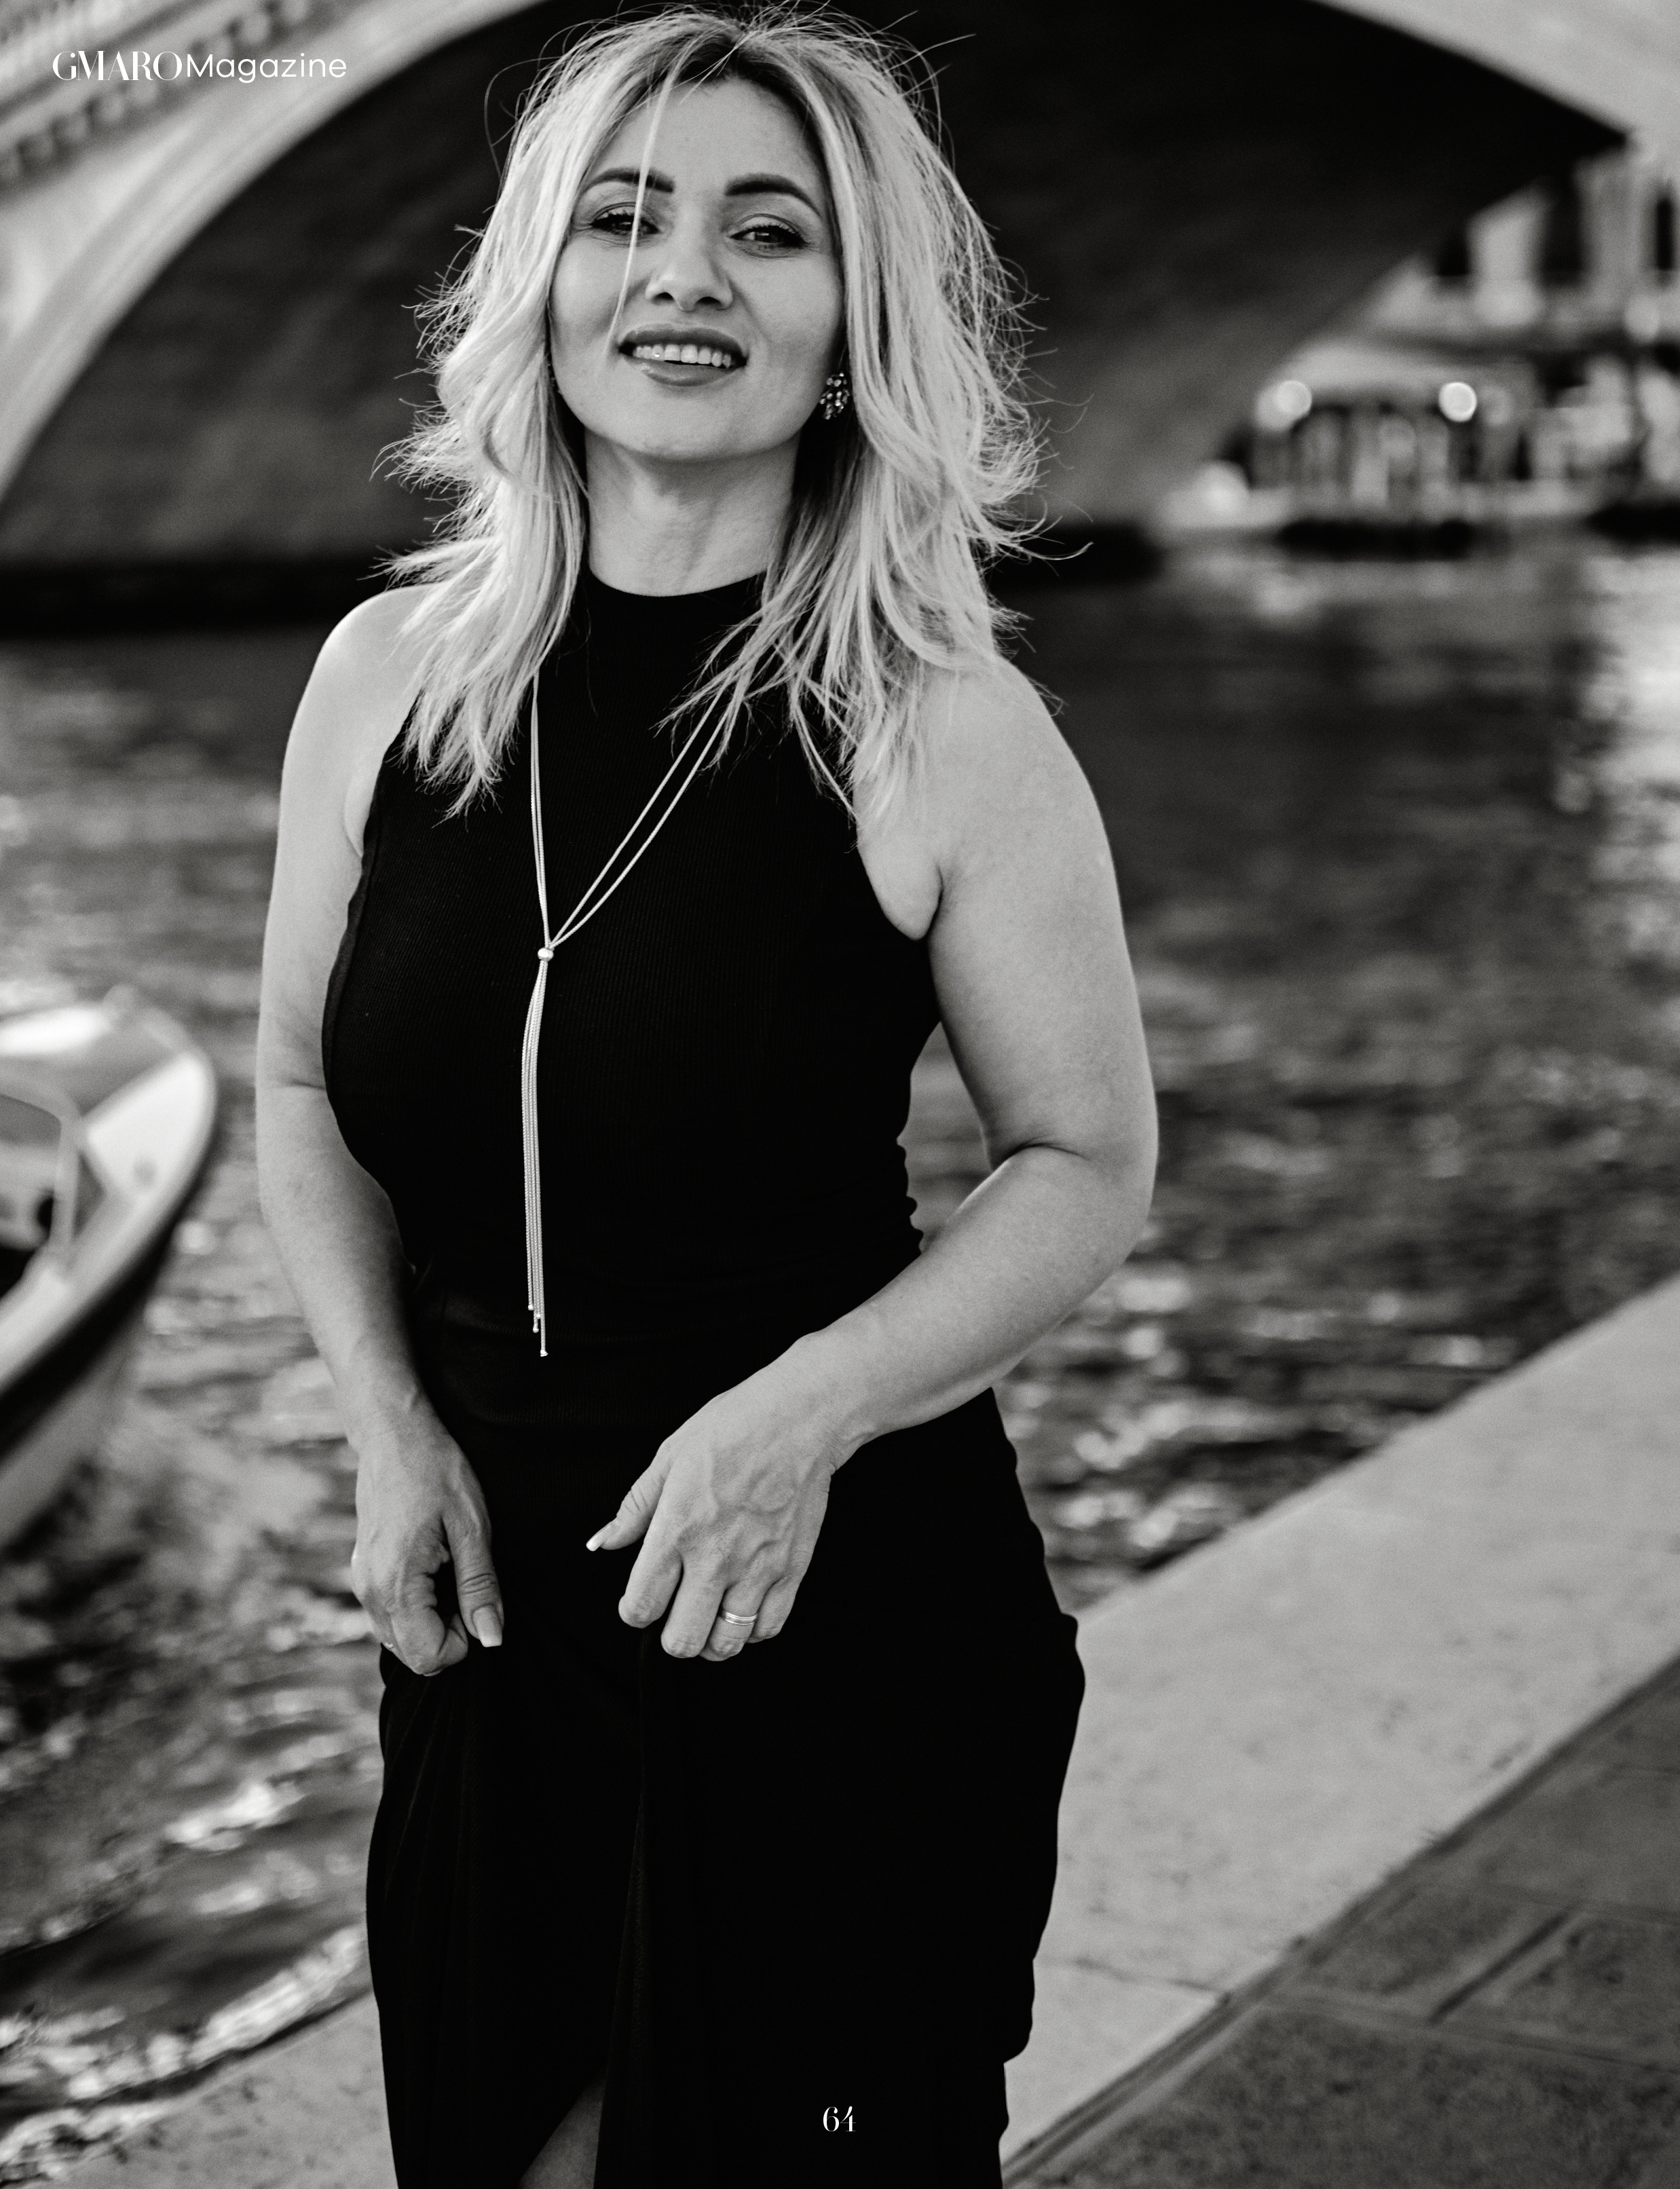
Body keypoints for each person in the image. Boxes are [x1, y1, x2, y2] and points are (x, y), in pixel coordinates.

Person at [255, 9, 1155, 2186]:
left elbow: (1085, 1159)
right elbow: (296, 1076)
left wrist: (802, 1415)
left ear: (848, 332)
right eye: (624, 220)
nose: (681, 278)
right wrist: (385, 1430)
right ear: (540, 284)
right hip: (485, 1602)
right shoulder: (388, 675)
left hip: (828, 1597)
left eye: (768, 233)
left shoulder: (939, 720)